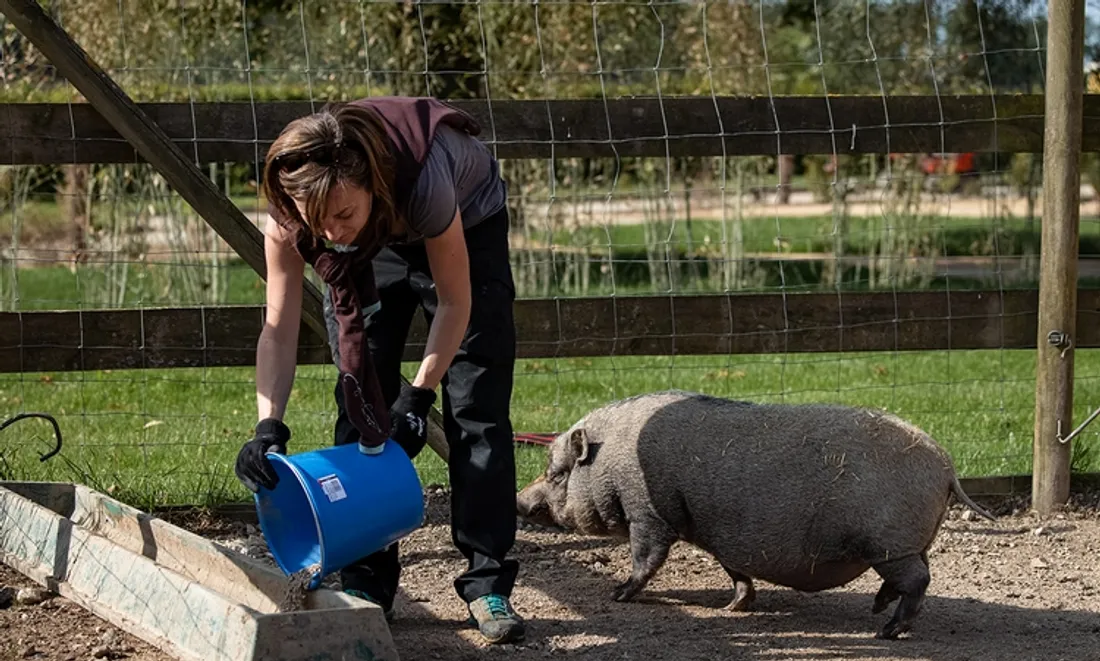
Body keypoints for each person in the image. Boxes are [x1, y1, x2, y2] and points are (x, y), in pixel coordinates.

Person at [232, 96, 525, 645]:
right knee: (359, 395)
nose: (333, 232)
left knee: (476, 403)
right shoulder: (295, 219)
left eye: (343, 214)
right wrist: (267, 427)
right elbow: (278, 327)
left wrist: (418, 396)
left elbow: (456, 305)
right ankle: (366, 582)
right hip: (382, 234)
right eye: (320, 223)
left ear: (371, 186)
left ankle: (487, 583)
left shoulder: (426, 182)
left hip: (465, 219)